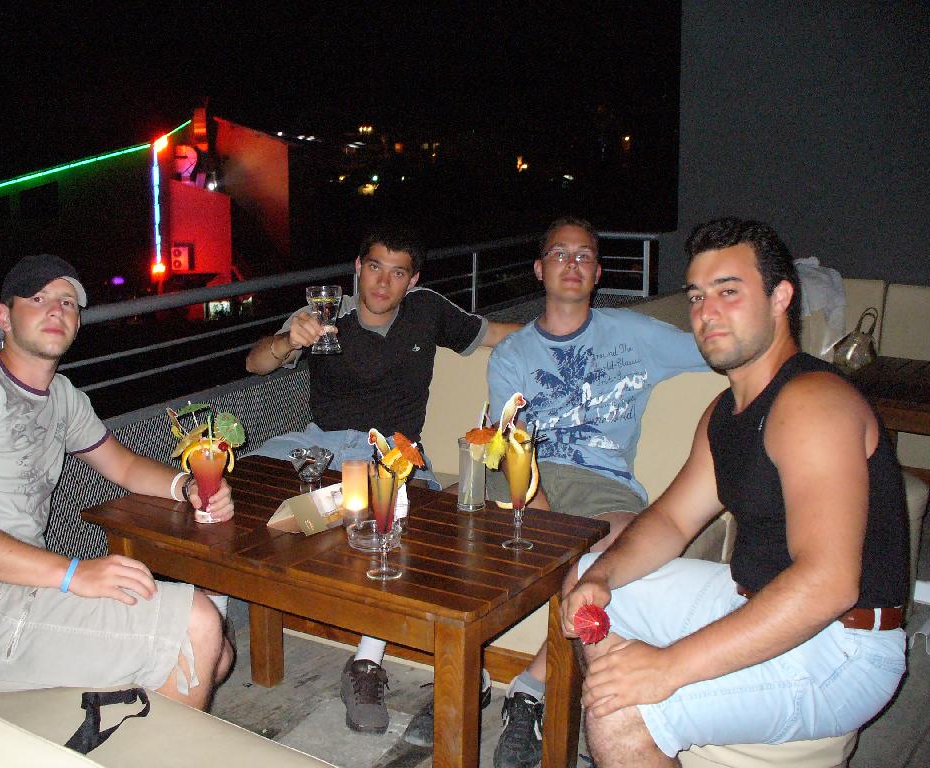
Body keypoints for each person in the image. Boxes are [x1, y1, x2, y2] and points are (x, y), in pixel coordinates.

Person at [561, 218, 908, 767]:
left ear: (780, 298)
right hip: (750, 596)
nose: (706, 313)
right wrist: (600, 577)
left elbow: (829, 584)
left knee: (619, 713)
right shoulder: (725, 412)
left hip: (843, 646)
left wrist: (667, 668)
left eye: (728, 292)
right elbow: (672, 521)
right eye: (697, 296)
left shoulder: (813, 403)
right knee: (587, 577)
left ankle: (634, 730)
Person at [402, 217, 709, 766]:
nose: (572, 264)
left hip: (602, 485)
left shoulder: (635, 333)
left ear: (598, 272)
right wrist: (537, 505)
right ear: (540, 269)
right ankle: (467, 675)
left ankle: (530, 689)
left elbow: (720, 350)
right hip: (522, 475)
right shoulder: (513, 354)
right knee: (433, 524)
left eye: (584, 255)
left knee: (624, 551)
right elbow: (506, 443)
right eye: (560, 254)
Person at [0, 254, 234, 711]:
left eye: (67, 302)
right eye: (38, 298)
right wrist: (74, 573)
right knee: (195, 625)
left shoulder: (61, 397)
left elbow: (123, 466)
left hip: (17, 585)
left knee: (218, 655)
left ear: (77, 323)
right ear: (4, 317)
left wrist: (188, 485)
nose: (56, 310)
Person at [246, 226, 520, 734]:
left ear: (412, 281)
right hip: (324, 446)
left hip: (392, 456)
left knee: (399, 524)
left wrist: (571, 333)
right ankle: (202, 627)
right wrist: (288, 340)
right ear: (358, 267)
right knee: (240, 492)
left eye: (397, 273)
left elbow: (496, 334)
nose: (382, 282)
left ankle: (366, 664)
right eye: (374, 267)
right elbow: (256, 363)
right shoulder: (324, 314)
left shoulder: (427, 310)